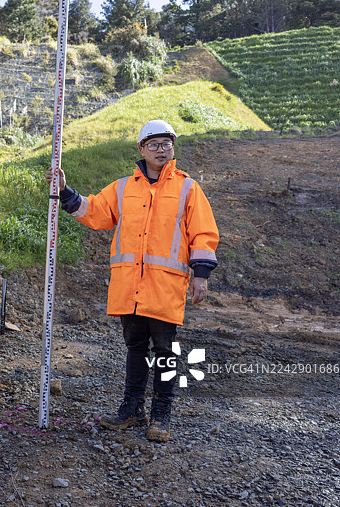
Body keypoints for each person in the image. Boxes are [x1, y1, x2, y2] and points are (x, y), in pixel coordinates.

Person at [45, 120, 219, 442]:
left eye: (166, 144)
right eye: (154, 144)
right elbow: (95, 211)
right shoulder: (124, 187)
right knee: (136, 348)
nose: (161, 150)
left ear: (173, 148)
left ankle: (161, 414)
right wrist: (65, 192)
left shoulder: (187, 188)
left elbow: (203, 234)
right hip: (130, 286)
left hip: (165, 288)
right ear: (141, 149)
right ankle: (132, 409)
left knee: (165, 350)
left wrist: (201, 276)